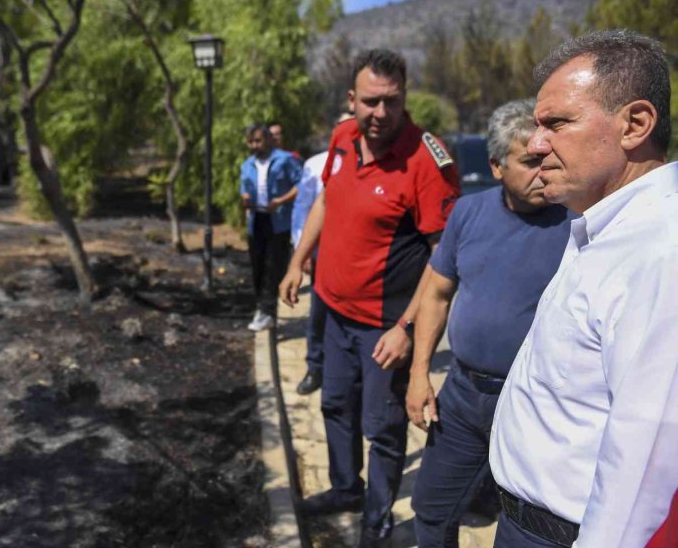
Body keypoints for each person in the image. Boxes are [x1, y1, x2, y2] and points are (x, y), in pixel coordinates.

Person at [489, 30, 678, 547]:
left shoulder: (660, 249)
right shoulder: (603, 224)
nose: (535, 144)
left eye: (556, 124)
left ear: (635, 125)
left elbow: (645, 466)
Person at [279, 49, 460, 547]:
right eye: (371, 102)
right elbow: (325, 200)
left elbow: (442, 258)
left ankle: (375, 520)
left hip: (385, 322)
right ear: (352, 100)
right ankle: (345, 488)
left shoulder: (428, 158)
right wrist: (298, 262)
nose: (381, 114)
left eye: (392, 102)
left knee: (382, 425)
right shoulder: (342, 138)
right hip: (333, 309)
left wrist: (406, 329)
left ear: (405, 98)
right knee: (335, 404)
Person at [405, 99, 574, 547]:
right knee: (431, 510)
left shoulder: (578, 224)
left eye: (547, 158)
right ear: (497, 167)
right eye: (529, 161)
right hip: (461, 397)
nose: (543, 170)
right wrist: (420, 373)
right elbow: (437, 295)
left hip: (533, 404)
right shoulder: (467, 213)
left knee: (526, 532)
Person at [240, 123, 301, 332]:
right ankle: (261, 307)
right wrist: (246, 198)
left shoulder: (285, 160)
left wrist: (281, 200)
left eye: (258, 140)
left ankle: (268, 311)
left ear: (267, 139)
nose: (254, 145)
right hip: (257, 219)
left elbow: (301, 185)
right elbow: (244, 187)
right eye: (250, 142)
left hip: (278, 221)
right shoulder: (248, 164)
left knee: (273, 267)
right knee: (257, 266)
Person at [290, 146, 329, 395]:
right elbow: (303, 210)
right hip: (322, 259)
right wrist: (301, 253)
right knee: (318, 316)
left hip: (362, 263)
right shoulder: (316, 165)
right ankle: (315, 368)